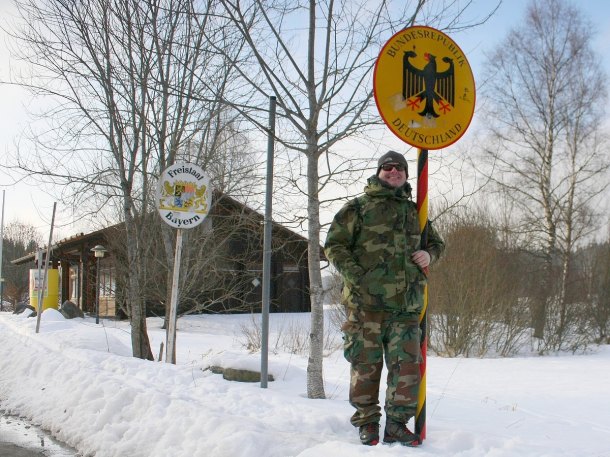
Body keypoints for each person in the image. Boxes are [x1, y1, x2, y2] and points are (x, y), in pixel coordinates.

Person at [324, 150, 445, 446]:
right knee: (365, 366)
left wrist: (429, 254)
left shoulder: (417, 212)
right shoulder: (358, 208)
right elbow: (334, 245)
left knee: (406, 368)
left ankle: (396, 425)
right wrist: (358, 276)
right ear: (379, 173)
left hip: (405, 306)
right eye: (388, 168)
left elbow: (438, 244)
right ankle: (367, 423)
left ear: (406, 174)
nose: (394, 172)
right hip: (366, 305)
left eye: (400, 168)